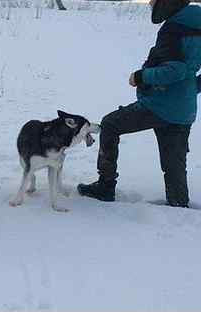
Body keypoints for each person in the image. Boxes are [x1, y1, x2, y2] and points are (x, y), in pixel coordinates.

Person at [77, 0, 201, 208]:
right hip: (184, 109)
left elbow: (175, 70)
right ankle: (178, 205)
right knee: (174, 165)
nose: (150, 4)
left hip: (158, 105)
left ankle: (105, 187)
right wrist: (189, 89)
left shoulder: (173, 28)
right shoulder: (196, 25)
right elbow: (184, 71)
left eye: (154, 1)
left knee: (110, 124)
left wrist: (140, 76)